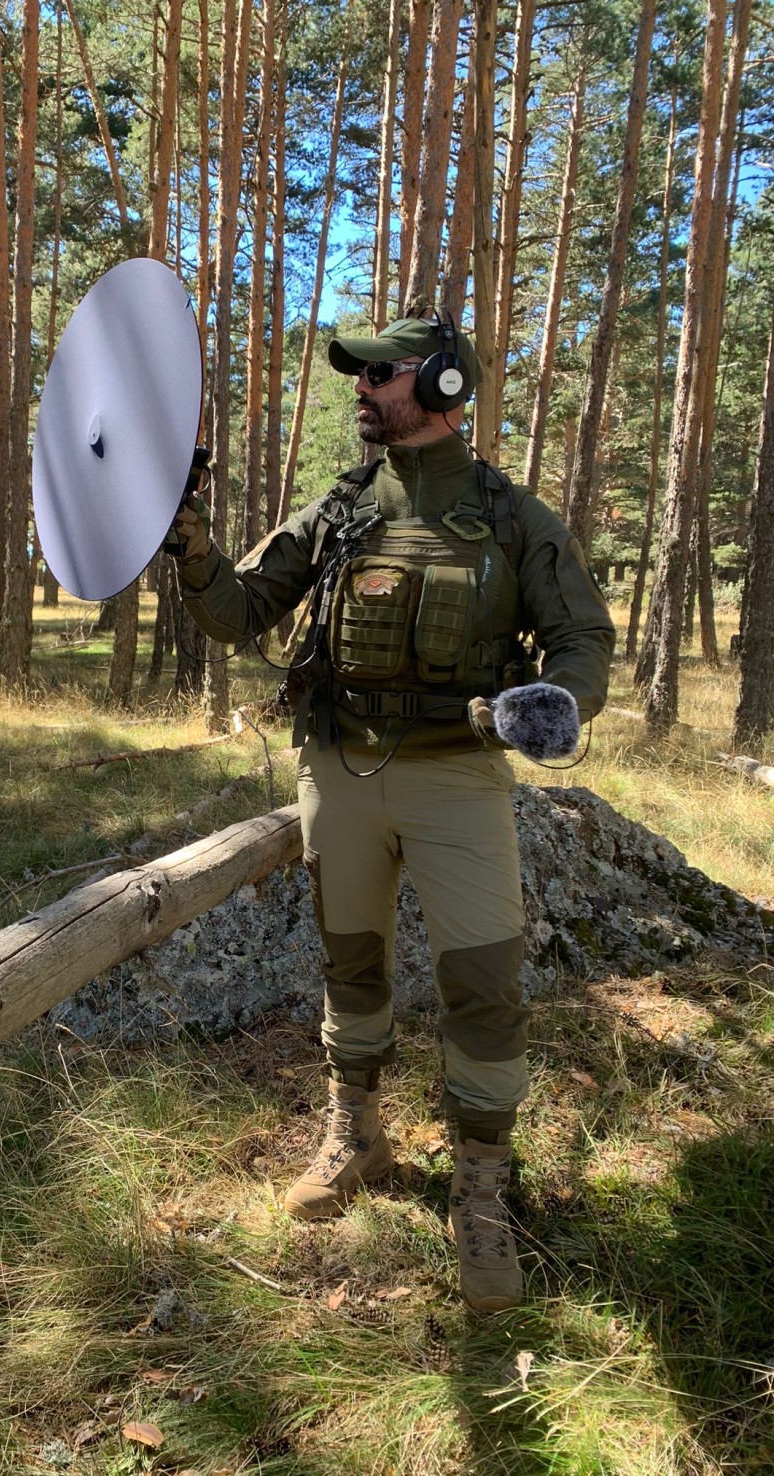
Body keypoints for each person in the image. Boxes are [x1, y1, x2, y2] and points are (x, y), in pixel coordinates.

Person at [168, 310, 615, 1312]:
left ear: (445, 384)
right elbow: (241, 611)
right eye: (359, 374)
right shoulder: (338, 511)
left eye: (382, 373)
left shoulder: (513, 518)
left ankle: (482, 1192)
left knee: (482, 982)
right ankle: (354, 1136)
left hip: (458, 774)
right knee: (351, 962)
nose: (362, 388)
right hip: (339, 769)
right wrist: (193, 550)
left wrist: (556, 702)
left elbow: (581, 638)